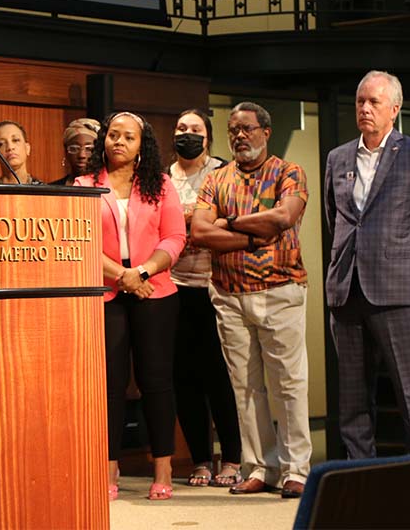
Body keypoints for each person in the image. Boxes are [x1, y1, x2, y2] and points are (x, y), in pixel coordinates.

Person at [324, 70, 410, 458]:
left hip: (398, 292)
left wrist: (408, 260)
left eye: (373, 102)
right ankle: (362, 479)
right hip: (347, 291)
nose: (364, 108)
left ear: (394, 109)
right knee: (352, 400)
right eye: (360, 101)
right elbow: (336, 220)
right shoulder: (338, 157)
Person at [191, 101, 312, 499]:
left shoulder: (288, 172)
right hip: (229, 296)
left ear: (265, 131)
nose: (239, 136)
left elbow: (283, 218)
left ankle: (297, 470)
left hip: (280, 291)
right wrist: (248, 234)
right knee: (245, 388)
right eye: (233, 130)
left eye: (246, 128)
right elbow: (200, 233)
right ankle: (261, 466)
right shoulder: (216, 179)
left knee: (288, 385)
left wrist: (227, 222)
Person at [75, 111, 185, 501]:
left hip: (153, 289)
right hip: (106, 291)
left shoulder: (162, 184)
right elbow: (82, 240)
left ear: (142, 146)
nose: (119, 142)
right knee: (110, 385)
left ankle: (163, 467)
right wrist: (121, 276)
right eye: (113, 135)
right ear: (103, 140)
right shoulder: (84, 184)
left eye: (129, 137)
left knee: (156, 382)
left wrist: (141, 271)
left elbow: (174, 237)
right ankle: (109, 468)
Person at [167, 109, 242, 488]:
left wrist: (190, 221)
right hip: (175, 288)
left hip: (217, 286)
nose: (188, 134)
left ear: (208, 137)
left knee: (220, 375)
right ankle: (199, 459)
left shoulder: (224, 173)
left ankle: (231, 457)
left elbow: (234, 219)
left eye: (195, 129)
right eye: (182, 129)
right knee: (184, 378)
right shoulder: (163, 178)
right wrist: (194, 220)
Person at [0, 120, 44, 184]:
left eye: (15, 140)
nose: (10, 147)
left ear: (27, 148)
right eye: (1, 144)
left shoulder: (46, 191)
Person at [50, 117, 99, 185]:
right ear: (66, 151)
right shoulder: (52, 189)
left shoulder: (108, 189)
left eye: (89, 149)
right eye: (74, 148)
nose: (82, 155)